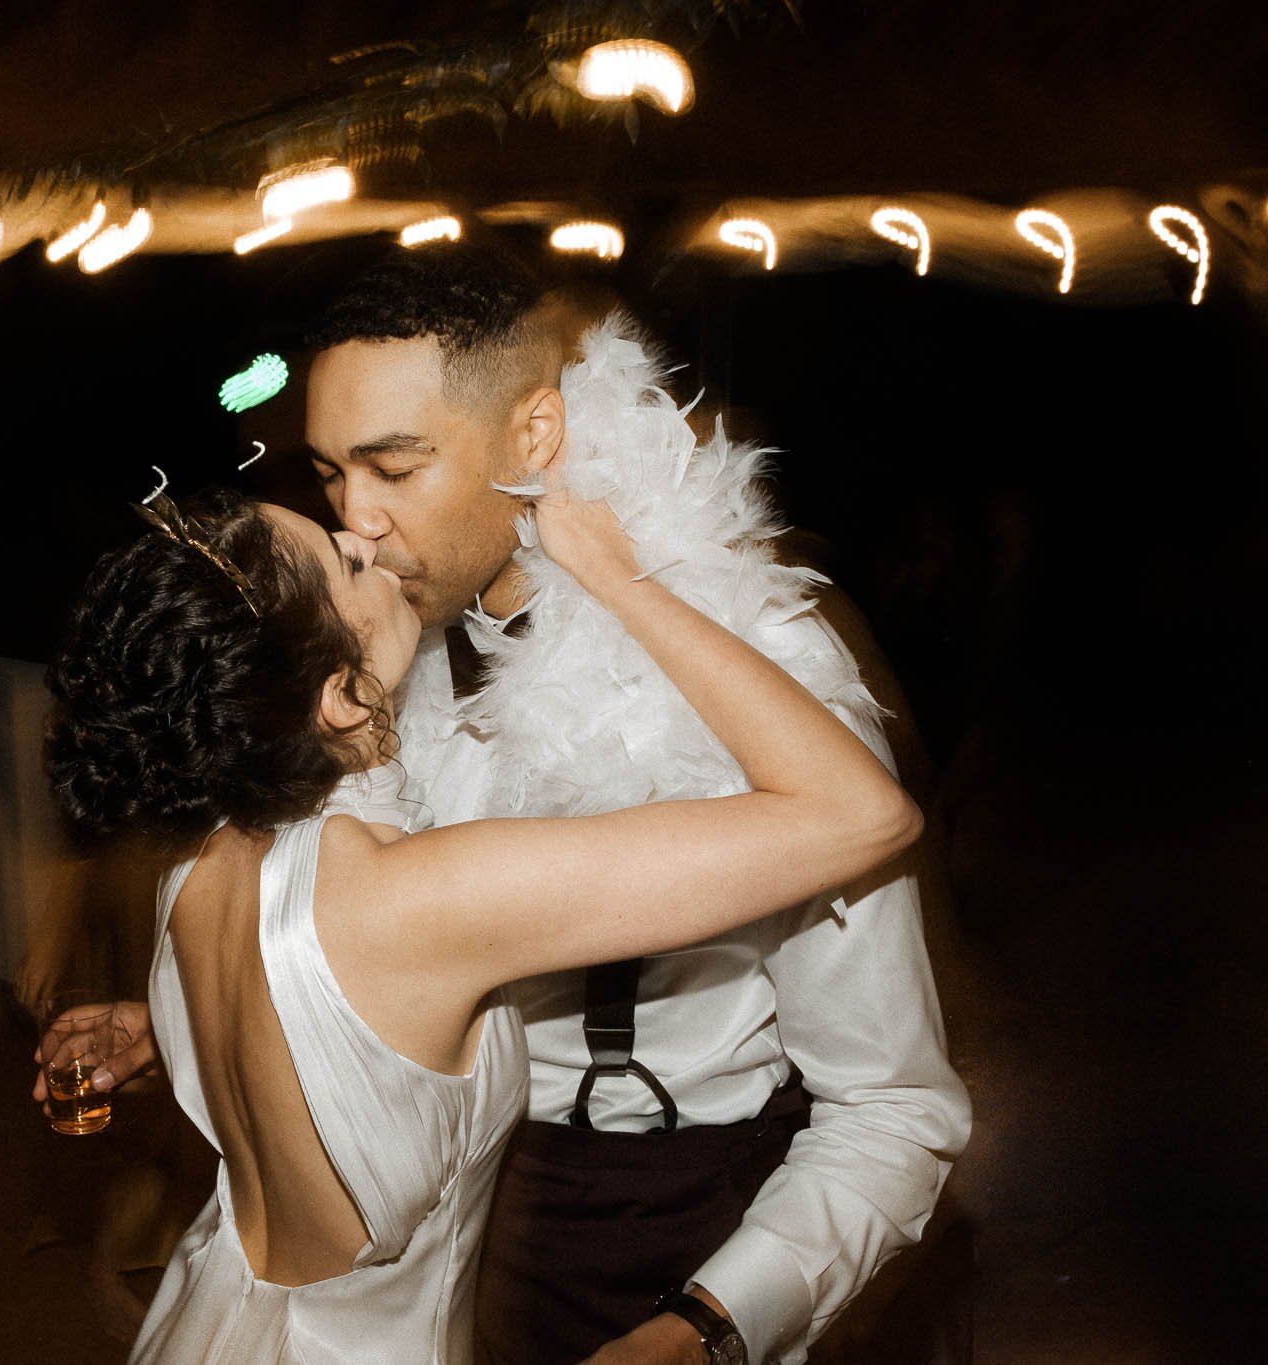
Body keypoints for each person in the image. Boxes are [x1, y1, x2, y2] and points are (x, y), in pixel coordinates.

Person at [39, 466, 920, 1362]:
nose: (359, 533)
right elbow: (865, 814)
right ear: (341, 696)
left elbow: (320, 1026)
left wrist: (164, 1026)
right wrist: (620, 578)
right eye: (341, 565)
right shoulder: (416, 898)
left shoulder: (199, 862)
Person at [299, 244, 972, 1365]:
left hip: (697, 1230)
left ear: (535, 436)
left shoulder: (764, 682)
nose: (352, 525)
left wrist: (710, 1326)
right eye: (327, 474)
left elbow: (892, 1108)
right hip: (452, 1229)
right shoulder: (381, 655)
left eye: (393, 469)